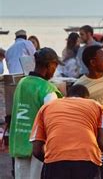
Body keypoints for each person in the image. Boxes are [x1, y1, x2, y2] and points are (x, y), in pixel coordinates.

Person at [30, 84, 103, 179]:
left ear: (66, 95)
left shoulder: (46, 107)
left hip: (55, 163)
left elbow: (36, 150)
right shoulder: (97, 106)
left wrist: (52, 161)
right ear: (86, 98)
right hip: (87, 162)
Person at [9, 48, 63, 179]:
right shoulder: (47, 89)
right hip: (39, 148)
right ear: (49, 65)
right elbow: (53, 122)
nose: (54, 70)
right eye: (55, 66)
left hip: (19, 143)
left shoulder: (22, 82)